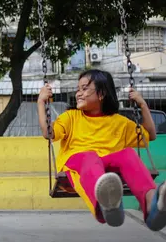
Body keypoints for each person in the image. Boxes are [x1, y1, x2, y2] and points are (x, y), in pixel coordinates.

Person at [37, 69, 166, 231]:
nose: (78, 93)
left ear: (101, 94)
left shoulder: (119, 122)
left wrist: (142, 103)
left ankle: (153, 206)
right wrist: (41, 102)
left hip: (107, 171)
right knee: (90, 157)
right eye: (78, 89)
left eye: (84, 89)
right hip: (78, 167)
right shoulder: (71, 117)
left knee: (127, 154)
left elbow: (150, 136)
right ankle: (107, 206)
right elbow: (48, 133)